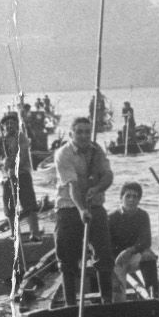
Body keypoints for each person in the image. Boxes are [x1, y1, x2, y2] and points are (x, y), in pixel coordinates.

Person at [51, 116, 116, 307]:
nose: (84, 135)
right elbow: (72, 186)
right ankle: (70, 304)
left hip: (95, 206)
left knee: (104, 256)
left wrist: (97, 189)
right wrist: (81, 209)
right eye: (79, 132)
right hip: (69, 208)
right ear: (71, 134)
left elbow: (108, 175)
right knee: (68, 260)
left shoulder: (97, 151)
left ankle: (107, 301)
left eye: (87, 131)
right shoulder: (63, 154)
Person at [107, 181, 159, 298]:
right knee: (118, 298)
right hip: (117, 261)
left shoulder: (143, 215)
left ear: (139, 200)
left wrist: (130, 251)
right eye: (128, 196)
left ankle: (153, 294)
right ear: (121, 198)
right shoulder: (111, 218)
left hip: (133, 256)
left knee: (149, 256)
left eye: (135, 197)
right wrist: (117, 257)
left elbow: (146, 240)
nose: (131, 200)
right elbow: (106, 243)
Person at [0, 111, 42, 238]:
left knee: (30, 206)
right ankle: (15, 234)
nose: (9, 126)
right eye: (7, 124)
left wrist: (13, 164)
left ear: (16, 124)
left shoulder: (21, 137)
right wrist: (2, 162)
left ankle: (35, 233)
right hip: (7, 178)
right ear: (3, 126)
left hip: (22, 175)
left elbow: (24, 156)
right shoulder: (1, 140)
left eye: (12, 123)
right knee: (10, 209)